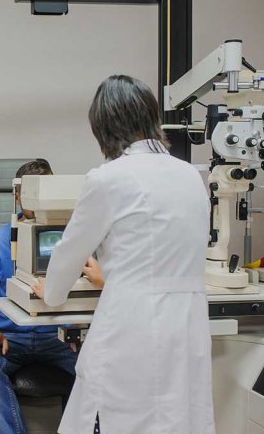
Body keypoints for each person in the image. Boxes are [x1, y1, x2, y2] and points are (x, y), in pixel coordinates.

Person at [34, 75, 214, 434]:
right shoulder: (191, 175)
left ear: (103, 128)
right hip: (188, 323)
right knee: (177, 419)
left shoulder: (108, 178)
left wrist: (50, 293)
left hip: (133, 324)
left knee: (117, 416)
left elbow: (69, 254)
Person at [0, 159, 103, 434]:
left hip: (59, 338)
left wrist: (78, 330)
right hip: (11, 340)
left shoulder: (74, 240)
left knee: (98, 367)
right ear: (18, 196)